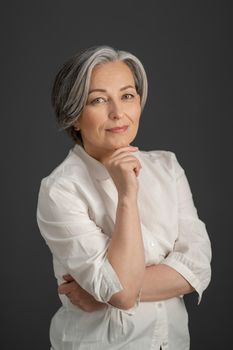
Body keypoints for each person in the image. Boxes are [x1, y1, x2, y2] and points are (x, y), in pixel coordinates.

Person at [36, 45, 212, 350]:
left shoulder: (167, 167)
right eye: (98, 100)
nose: (118, 113)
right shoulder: (60, 190)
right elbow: (123, 294)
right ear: (74, 116)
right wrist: (127, 196)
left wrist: (102, 291)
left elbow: (198, 268)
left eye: (127, 96)